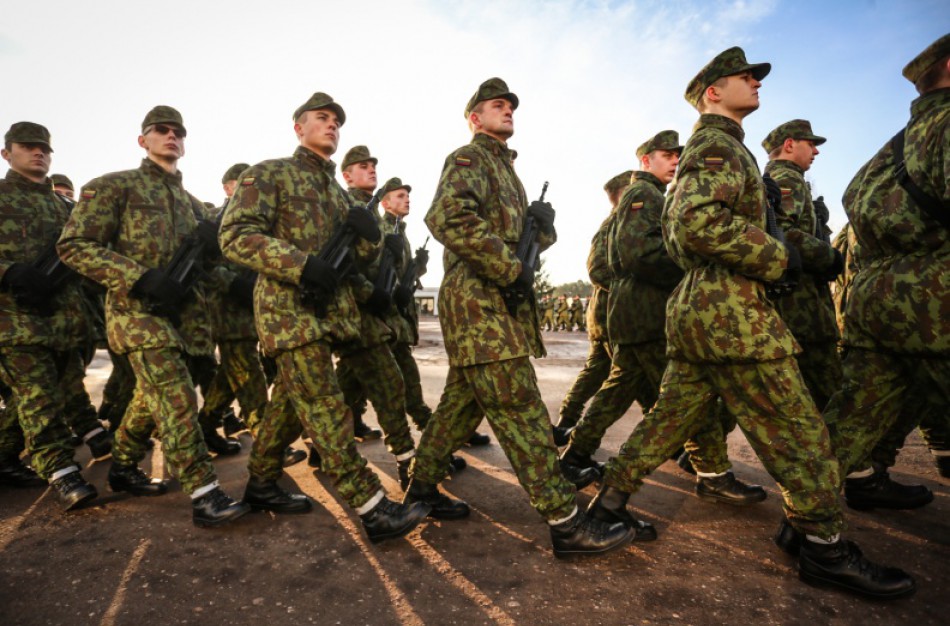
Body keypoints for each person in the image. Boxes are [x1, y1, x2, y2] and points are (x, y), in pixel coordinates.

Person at [586, 48, 914, 599]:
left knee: (668, 419)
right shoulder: (715, 144)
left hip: (708, 310)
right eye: (743, 77)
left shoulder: (726, 147)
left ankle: (605, 505)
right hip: (730, 312)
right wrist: (777, 256)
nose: (754, 82)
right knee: (801, 433)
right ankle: (826, 548)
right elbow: (693, 223)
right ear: (713, 92)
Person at [403, 77, 633, 558]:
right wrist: (509, 267)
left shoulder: (507, 171)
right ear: (474, 117)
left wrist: (540, 233)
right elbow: (447, 217)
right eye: (496, 105)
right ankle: (566, 523)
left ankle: (420, 491)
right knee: (522, 409)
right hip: (479, 302)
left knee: (456, 410)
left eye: (510, 105)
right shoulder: (468, 158)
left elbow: (510, 243)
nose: (507, 110)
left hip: (495, 301)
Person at [218, 92, 430, 541]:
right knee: (328, 408)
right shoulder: (270, 173)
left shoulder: (337, 192)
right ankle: (372, 508)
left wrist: (372, 241)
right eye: (321, 118)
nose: (331, 125)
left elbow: (353, 263)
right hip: (288, 314)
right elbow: (234, 236)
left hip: (335, 315)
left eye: (336, 120)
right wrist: (300, 263)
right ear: (299, 127)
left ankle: (259, 482)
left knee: (289, 406)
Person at [58, 106, 250, 527]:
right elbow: (74, 246)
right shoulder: (114, 187)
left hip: (186, 322)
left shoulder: (192, 205)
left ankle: (124, 466)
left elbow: (208, 269)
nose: (171, 137)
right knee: (178, 399)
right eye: (160, 131)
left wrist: (233, 277)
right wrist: (139, 277)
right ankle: (204, 492)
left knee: (150, 399)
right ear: (142, 140)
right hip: (136, 315)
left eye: (177, 132)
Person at [562, 130, 764, 508]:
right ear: (645, 160)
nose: (675, 160)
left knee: (620, 392)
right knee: (686, 397)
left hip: (636, 315)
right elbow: (640, 254)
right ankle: (712, 473)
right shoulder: (644, 194)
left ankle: (574, 457)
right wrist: (691, 267)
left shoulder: (651, 196)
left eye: (677, 155)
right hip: (647, 314)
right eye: (666, 155)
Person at [821, 34, 949, 510]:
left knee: (851, 422)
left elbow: (853, 208)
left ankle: (807, 525)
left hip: (877, 299)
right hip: (937, 300)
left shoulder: (887, 152)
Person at [0, 121, 98, 505]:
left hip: (66, 321)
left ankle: (5, 456)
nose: (38, 152)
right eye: (27, 146)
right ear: (7, 153)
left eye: (44, 148)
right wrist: (9, 272)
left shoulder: (65, 208)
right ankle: (62, 471)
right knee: (37, 396)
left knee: (47, 397)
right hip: (15, 321)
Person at [761, 120, 843, 412]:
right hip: (801, 305)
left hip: (794, 302)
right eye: (810, 144)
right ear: (789, 145)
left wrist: (821, 226)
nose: (816, 151)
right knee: (831, 395)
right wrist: (830, 257)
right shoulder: (786, 178)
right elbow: (784, 234)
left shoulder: (783, 179)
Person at [553, 171, 630, 446]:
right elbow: (597, 268)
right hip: (611, 314)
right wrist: (632, 290)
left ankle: (568, 425)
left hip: (609, 314)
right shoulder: (614, 224)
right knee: (625, 377)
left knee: (600, 372)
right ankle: (576, 436)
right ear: (623, 194)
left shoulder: (622, 222)